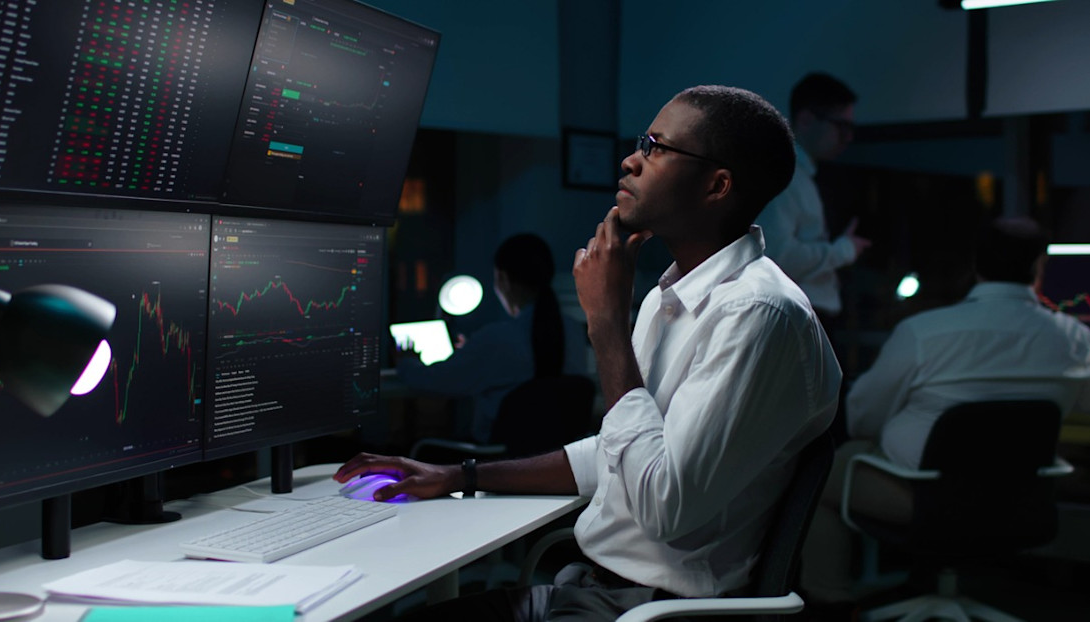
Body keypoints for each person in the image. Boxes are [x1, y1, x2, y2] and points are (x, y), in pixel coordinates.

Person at [336, 85, 842, 621]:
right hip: (591, 588)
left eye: (656, 148)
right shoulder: (674, 297)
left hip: (652, 610)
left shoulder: (757, 312)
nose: (631, 159)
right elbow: (617, 453)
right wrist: (460, 475)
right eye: (640, 142)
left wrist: (607, 324)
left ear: (717, 186)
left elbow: (662, 503)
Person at [801, 217, 1090, 607]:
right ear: (1039, 269)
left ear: (975, 266)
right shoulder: (1076, 339)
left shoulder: (924, 332)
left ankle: (831, 607)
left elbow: (863, 416)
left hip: (922, 500)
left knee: (815, 477)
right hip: (1024, 504)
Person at [397, 233, 588, 444]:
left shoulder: (496, 339)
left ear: (503, 280)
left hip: (495, 463)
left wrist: (405, 361)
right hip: (555, 462)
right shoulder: (574, 331)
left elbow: (434, 381)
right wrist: (475, 351)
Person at [754, 72, 871, 322]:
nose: (848, 137)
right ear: (806, 119)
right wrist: (842, 251)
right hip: (794, 317)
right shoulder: (787, 177)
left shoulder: (799, 176)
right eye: (842, 126)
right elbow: (775, 256)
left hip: (799, 315)